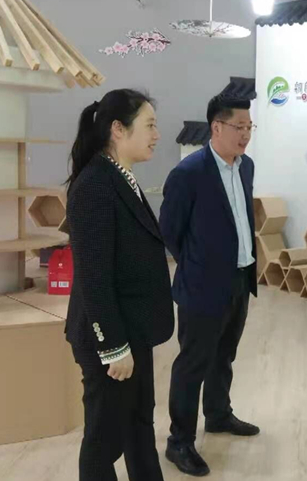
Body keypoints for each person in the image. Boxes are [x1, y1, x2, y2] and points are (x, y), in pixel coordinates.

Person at [65, 89, 174, 481]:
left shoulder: (120, 178)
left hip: (133, 331)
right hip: (111, 342)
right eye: (149, 125)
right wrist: (114, 348)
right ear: (117, 129)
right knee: (103, 443)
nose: (157, 135)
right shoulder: (95, 185)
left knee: (138, 428)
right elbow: (94, 278)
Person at [160, 94, 259, 477]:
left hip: (239, 279)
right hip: (202, 286)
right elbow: (170, 231)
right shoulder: (189, 173)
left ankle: (218, 415)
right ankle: (179, 442)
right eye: (239, 127)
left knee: (224, 356)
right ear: (216, 127)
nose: (246, 134)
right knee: (192, 364)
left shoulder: (246, 167)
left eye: (250, 127)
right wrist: (199, 264)